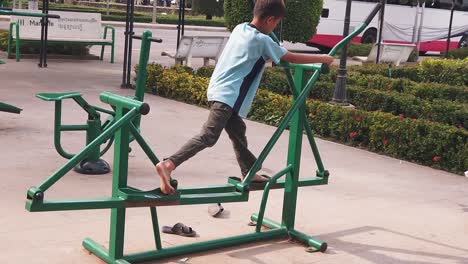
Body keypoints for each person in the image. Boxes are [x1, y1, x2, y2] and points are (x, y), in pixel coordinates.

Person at [156, 0, 334, 194]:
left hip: (218, 89)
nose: (275, 27)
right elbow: (288, 57)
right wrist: (322, 58)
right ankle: (169, 164)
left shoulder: (241, 28)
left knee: (238, 131)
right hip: (228, 95)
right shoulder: (262, 40)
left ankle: (249, 171)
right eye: (276, 24)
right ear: (270, 20)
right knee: (209, 136)